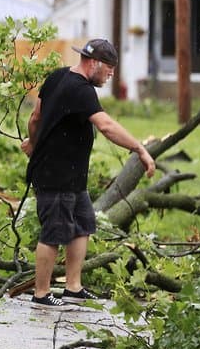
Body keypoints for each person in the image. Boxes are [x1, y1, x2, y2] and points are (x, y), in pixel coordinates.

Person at [19, 38, 155, 310]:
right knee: (53, 232)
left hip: (71, 174)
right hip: (55, 174)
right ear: (93, 63)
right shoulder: (81, 90)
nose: (111, 74)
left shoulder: (57, 77)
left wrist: (34, 144)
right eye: (109, 68)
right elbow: (106, 126)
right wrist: (139, 148)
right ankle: (41, 294)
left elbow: (36, 117)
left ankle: (73, 287)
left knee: (82, 225)